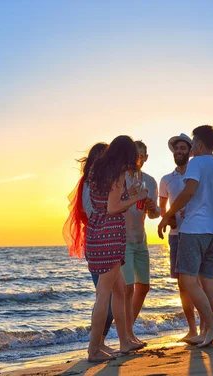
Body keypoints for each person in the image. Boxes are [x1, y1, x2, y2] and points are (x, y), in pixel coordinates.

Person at [157, 125, 213, 348]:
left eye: (193, 143)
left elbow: (189, 191)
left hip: (194, 230)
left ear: (200, 144)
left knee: (187, 280)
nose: (191, 147)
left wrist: (168, 215)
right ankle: (206, 332)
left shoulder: (196, 163)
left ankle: (212, 326)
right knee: (207, 281)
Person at [86, 135, 147, 362]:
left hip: (95, 232)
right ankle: (93, 349)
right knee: (104, 294)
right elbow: (112, 208)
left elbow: (103, 202)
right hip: (110, 234)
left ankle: (124, 342)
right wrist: (136, 198)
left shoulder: (96, 169)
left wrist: (126, 195)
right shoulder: (118, 172)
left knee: (120, 290)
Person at [62, 142, 116, 355]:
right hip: (97, 241)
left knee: (113, 295)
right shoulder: (88, 183)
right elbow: (89, 211)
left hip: (108, 241)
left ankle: (100, 342)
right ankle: (94, 346)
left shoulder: (105, 181)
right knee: (105, 297)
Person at [158, 133, 200, 342]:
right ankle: (192, 330)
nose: (179, 152)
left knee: (200, 281)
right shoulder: (166, 180)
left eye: (183, 148)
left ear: (190, 152)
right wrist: (163, 215)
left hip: (197, 232)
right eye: (176, 148)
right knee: (182, 285)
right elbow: (162, 208)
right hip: (176, 236)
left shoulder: (197, 174)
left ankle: (207, 326)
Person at [121, 140, 160, 344]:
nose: (138, 159)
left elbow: (154, 214)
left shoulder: (151, 181)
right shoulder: (120, 179)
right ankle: (127, 335)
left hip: (141, 241)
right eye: (135, 155)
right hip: (123, 240)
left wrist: (153, 207)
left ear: (145, 158)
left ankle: (129, 331)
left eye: (142, 155)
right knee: (127, 289)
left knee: (143, 288)